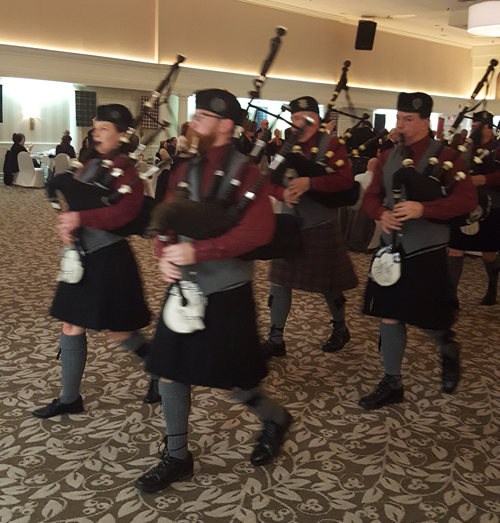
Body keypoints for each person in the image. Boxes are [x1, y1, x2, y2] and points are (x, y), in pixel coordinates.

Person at [135, 89, 291, 494]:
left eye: (202, 116)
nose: (193, 123)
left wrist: (198, 249)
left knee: (234, 383)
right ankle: (177, 457)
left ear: (225, 125)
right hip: (184, 286)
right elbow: (166, 216)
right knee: (169, 373)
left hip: (226, 289)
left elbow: (259, 232)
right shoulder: (186, 168)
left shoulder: (248, 172)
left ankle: (274, 417)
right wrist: (164, 253)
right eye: (194, 115)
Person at [32, 104, 159, 419]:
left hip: (110, 259)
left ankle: (159, 369)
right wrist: (67, 221)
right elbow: (78, 200)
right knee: (71, 321)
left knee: (121, 330)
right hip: (81, 256)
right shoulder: (89, 164)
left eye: (103, 128)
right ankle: (69, 397)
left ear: (122, 136)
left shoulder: (128, 173)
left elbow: (123, 214)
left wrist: (80, 216)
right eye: (95, 126)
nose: (95, 132)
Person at [359, 92, 477, 410]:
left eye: (407, 120)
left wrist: (422, 208)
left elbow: (467, 201)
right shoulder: (388, 156)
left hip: (427, 249)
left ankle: (447, 347)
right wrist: (379, 214)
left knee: (430, 319)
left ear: (426, 121)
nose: (400, 126)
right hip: (390, 249)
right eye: (398, 119)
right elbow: (372, 195)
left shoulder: (449, 156)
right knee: (389, 316)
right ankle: (392, 382)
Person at [261, 96, 358, 360]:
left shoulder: (334, 145)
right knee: (278, 283)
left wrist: (311, 184)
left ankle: (340, 328)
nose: (300, 123)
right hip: (289, 224)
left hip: (321, 224)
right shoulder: (284, 148)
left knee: (330, 285)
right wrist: (282, 193)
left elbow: (345, 181)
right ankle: (276, 338)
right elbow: (268, 180)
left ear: (317, 120)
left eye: (307, 118)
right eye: (295, 118)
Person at [448, 111, 500, 306]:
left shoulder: (498, 148)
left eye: (477, 127)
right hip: (465, 203)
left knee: (488, 253)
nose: (473, 130)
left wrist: (485, 179)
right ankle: (451, 296)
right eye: (473, 126)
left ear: (488, 128)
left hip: (492, 204)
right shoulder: (467, 148)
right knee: (455, 248)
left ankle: (492, 287)